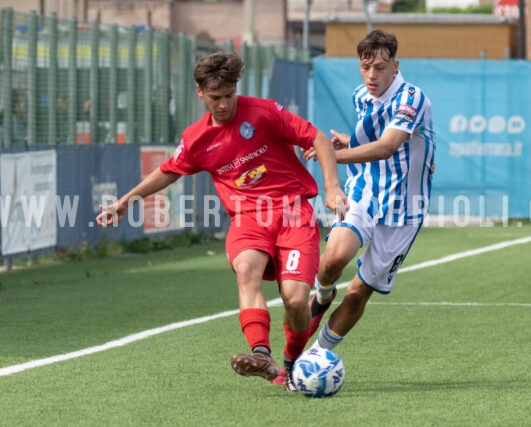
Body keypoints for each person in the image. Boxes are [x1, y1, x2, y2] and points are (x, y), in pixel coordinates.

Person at [96, 52, 347, 391]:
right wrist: (126, 202)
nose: (225, 104)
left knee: (296, 301)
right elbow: (168, 171)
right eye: (216, 98)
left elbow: (316, 137)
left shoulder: (262, 112)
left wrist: (333, 189)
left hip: (293, 213)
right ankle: (261, 354)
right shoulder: (197, 138)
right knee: (247, 271)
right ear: (200, 92)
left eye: (230, 95)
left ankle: (290, 364)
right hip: (247, 217)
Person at [303, 29, 436, 353]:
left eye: (380, 67)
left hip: (405, 210)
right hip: (366, 190)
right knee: (333, 258)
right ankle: (322, 294)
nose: (372, 75)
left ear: (395, 66)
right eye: (365, 67)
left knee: (358, 293)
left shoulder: (411, 98)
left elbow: (389, 145)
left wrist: (331, 154)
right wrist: (351, 141)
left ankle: (316, 357)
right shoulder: (360, 95)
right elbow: (374, 137)